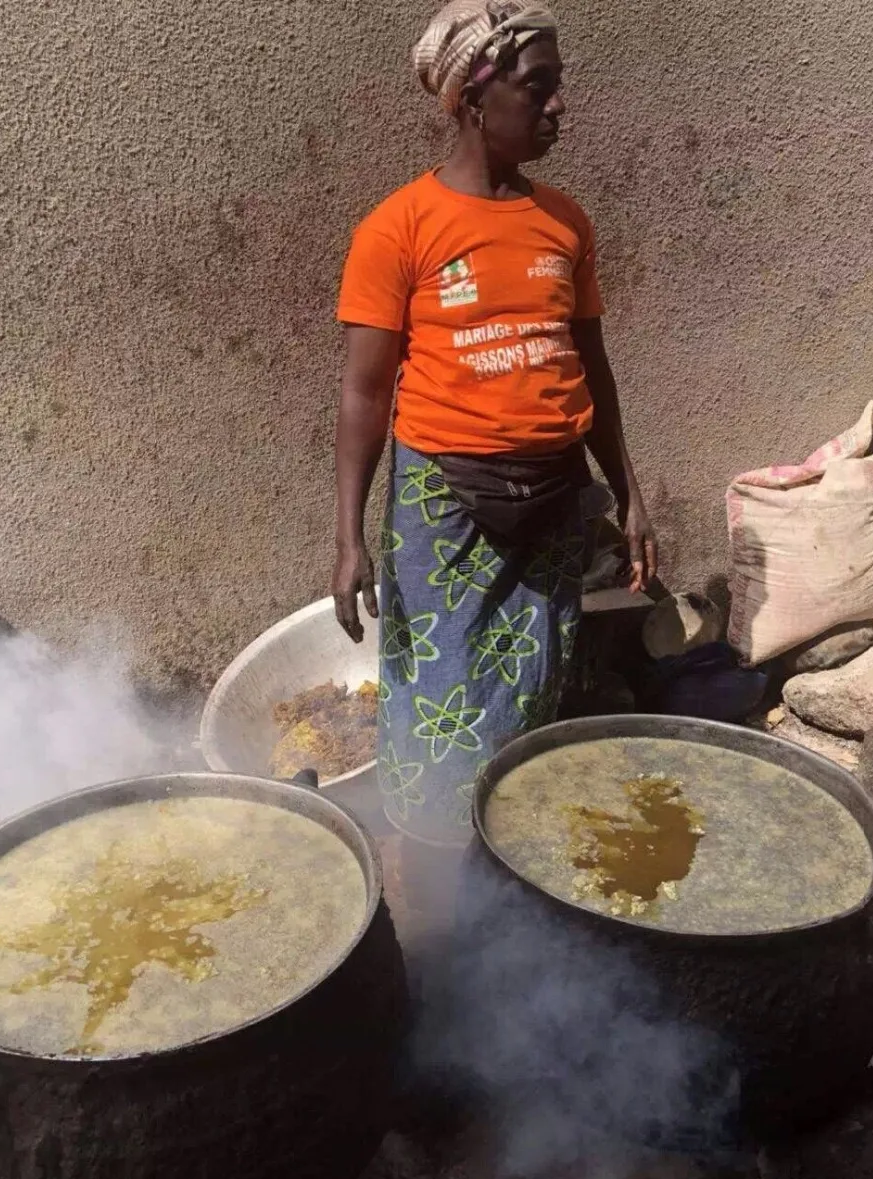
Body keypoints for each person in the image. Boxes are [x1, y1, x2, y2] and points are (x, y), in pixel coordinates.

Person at [332, 0, 657, 851]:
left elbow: (591, 365)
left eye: (558, 87)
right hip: (447, 502)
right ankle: (434, 867)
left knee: (532, 673)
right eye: (536, 87)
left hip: (554, 494)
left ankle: (510, 841)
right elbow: (364, 397)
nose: (558, 107)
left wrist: (630, 493)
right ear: (475, 100)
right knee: (438, 683)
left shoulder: (564, 223)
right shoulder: (397, 229)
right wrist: (347, 536)